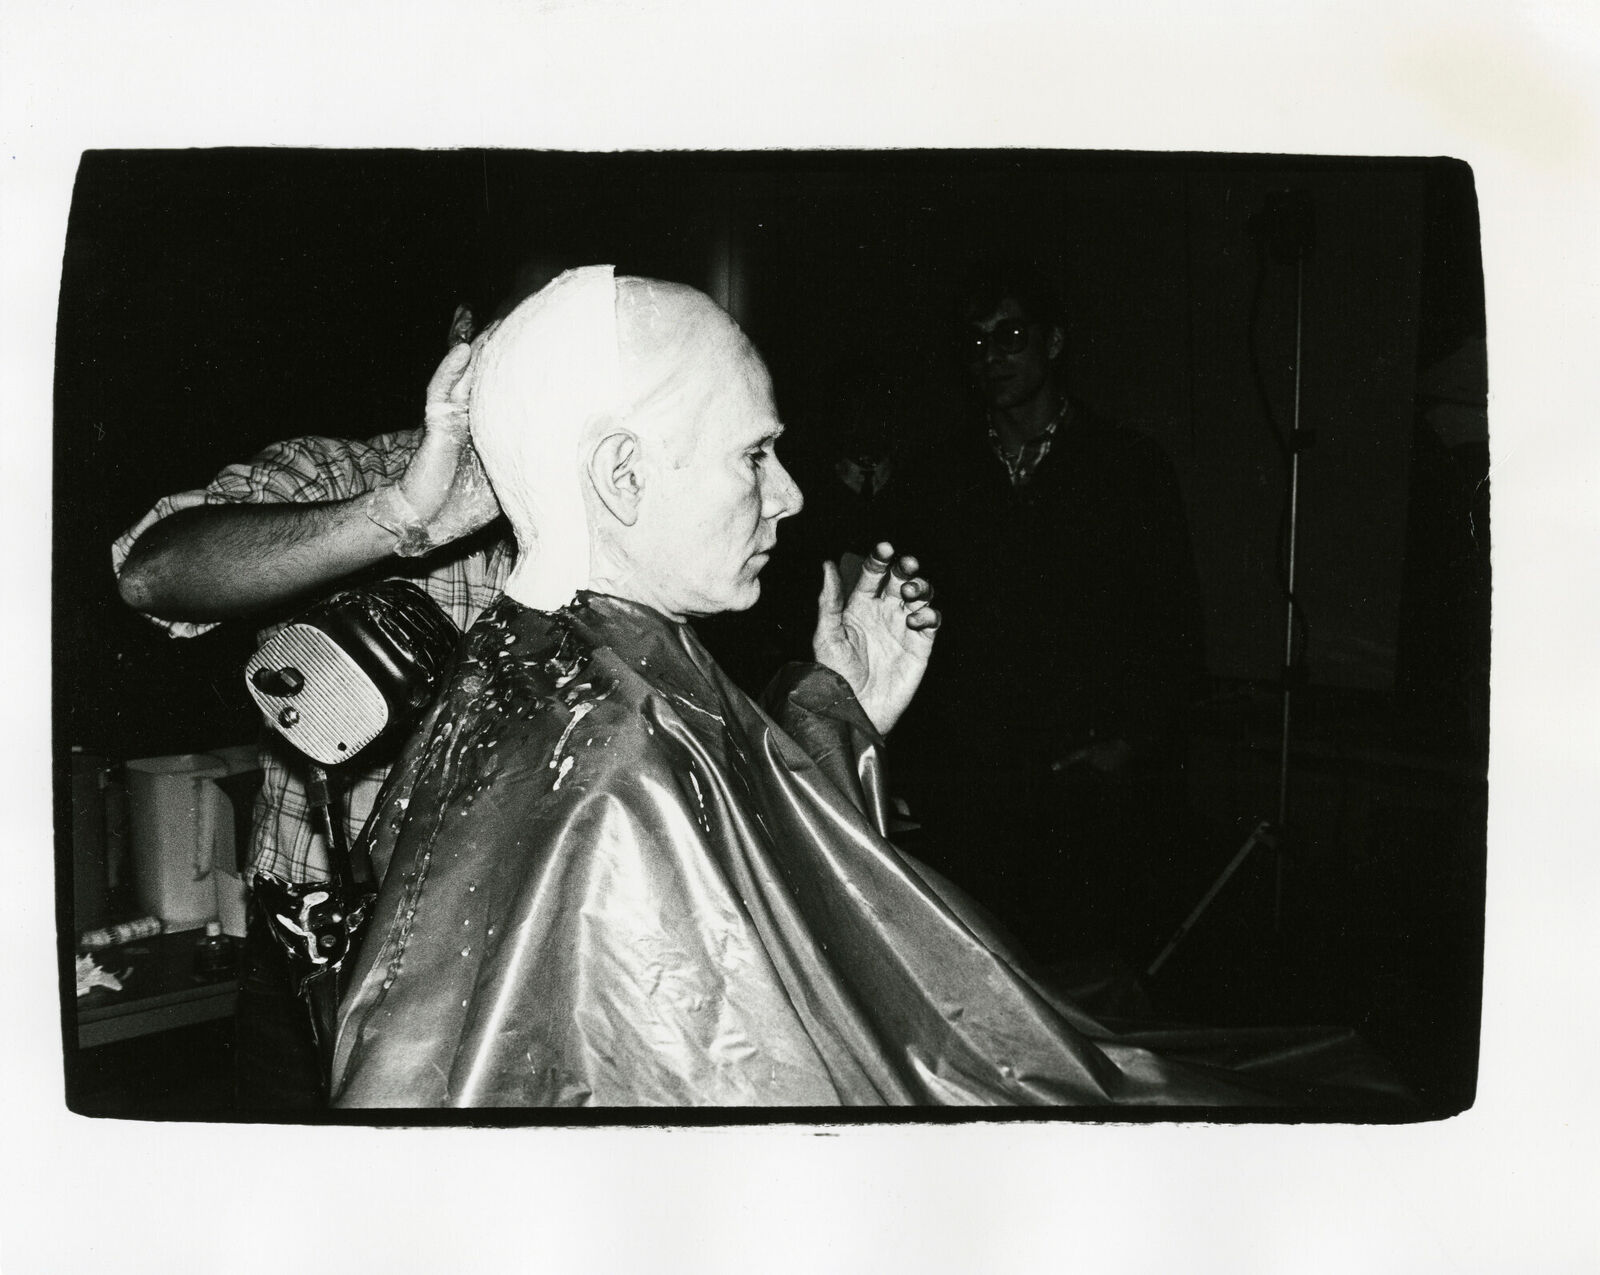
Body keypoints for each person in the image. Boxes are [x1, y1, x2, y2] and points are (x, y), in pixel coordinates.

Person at [330, 267, 1401, 1109]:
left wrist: (848, 704)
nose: (790, 496)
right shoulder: (608, 762)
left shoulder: (551, 649)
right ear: (621, 475)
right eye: (752, 457)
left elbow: (757, 884)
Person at [112, 313, 513, 1110]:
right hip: (309, 964)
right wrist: (399, 512)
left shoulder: (618, 522)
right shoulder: (340, 474)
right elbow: (152, 575)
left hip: (499, 963)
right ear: (465, 336)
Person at [893, 262, 1208, 968]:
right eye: (977, 344)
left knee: (1079, 996)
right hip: (971, 792)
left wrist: (1125, 746)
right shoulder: (939, 476)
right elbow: (909, 622)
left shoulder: (1126, 468)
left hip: (1081, 794)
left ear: (1053, 342)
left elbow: (1174, 627)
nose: (993, 358)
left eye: (1010, 337)